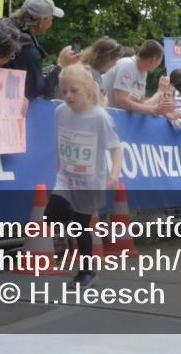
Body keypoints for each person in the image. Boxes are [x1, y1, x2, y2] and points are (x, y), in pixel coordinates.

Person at [46, 64, 122, 287]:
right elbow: (61, 142)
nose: (68, 95)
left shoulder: (100, 118)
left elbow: (116, 149)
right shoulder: (60, 112)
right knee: (51, 216)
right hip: (66, 178)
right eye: (64, 91)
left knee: (81, 226)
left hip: (90, 181)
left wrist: (114, 175)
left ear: (88, 89)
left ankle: (87, 271)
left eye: (73, 90)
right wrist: (60, 170)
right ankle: (76, 223)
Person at [7, 0, 79, 99]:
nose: (51, 23)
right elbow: (35, 90)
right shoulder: (29, 51)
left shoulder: (5, 31)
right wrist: (61, 66)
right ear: (42, 21)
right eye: (51, 19)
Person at [102, 40, 173, 116]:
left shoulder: (143, 72)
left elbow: (141, 105)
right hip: (108, 115)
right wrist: (154, 110)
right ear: (153, 60)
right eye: (159, 61)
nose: (159, 64)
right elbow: (121, 101)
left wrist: (160, 93)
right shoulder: (128, 65)